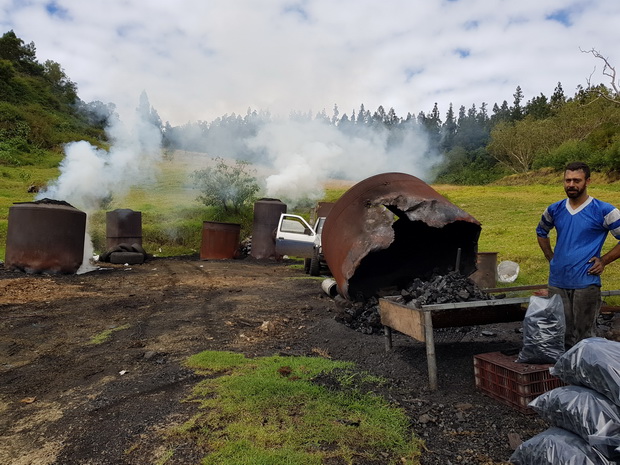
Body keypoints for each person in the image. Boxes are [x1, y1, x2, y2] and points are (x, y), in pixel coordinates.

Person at [536, 161, 620, 347]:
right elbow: (541, 231)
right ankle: (563, 373)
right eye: (567, 180)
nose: (571, 185)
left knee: (585, 337)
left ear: (588, 181)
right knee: (560, 334)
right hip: (557, 282)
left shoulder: (604, 210)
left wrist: (604, 260)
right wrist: (550, 256)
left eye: (576, 180)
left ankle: (585, 373)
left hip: (585, 283)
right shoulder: (554, 209)